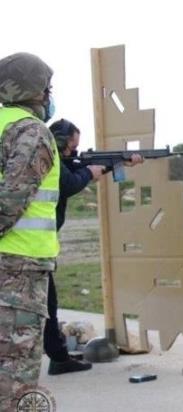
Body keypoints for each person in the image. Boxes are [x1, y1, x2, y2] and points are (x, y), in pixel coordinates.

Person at [44, 118, 143, 374]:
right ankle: (58, 357)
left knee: (47, 304)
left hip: (36, 245)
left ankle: (58, 356)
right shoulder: (51, 159)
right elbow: (68, 183)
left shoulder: (52, 156)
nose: (74, 153)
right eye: (72, 148)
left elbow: (76, 172)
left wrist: (112, 165)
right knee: (46, 305)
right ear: (62, 144)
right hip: (30, 246)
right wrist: (90, 172)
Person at [0, 52, 59, 410]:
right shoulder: (29, 131)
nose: (50, 95)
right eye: (47, 88)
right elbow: (11, 201)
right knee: (15, 380)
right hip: (17, 272)